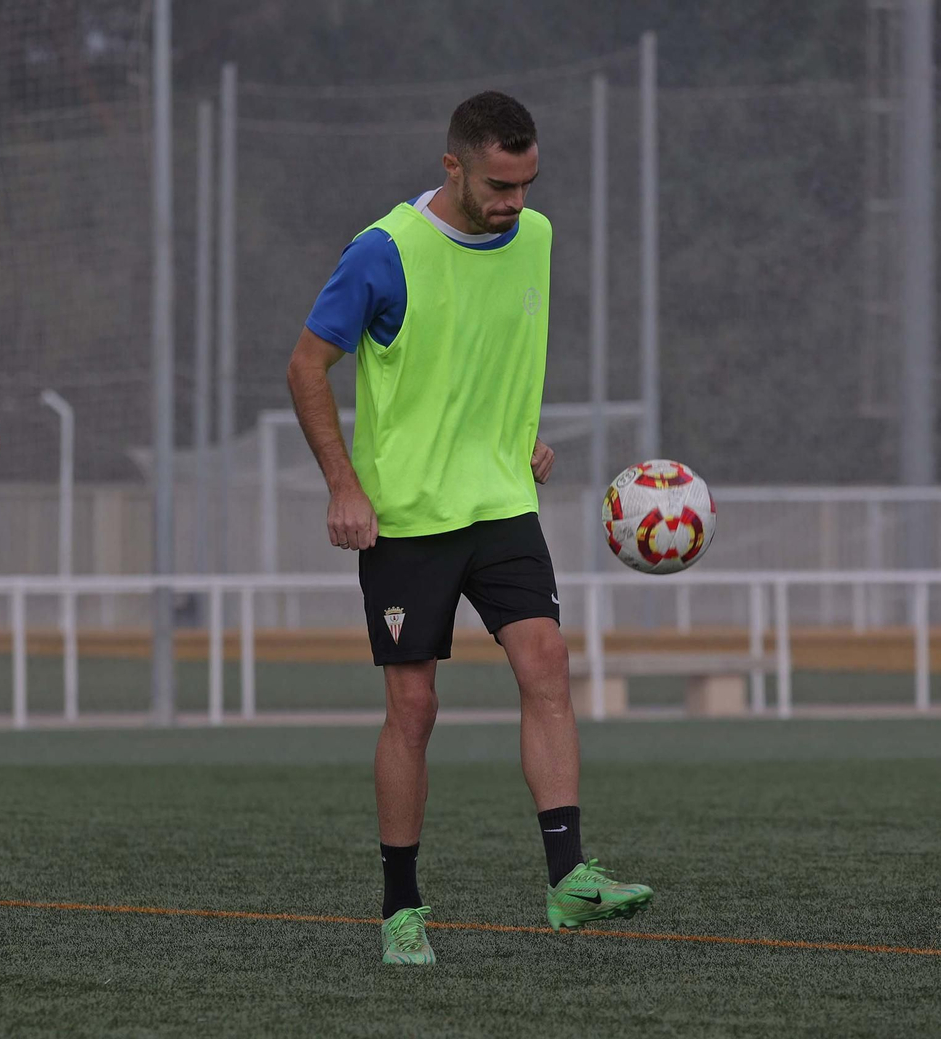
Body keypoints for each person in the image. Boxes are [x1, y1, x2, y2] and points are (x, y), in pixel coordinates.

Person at [286, 91, 652, 966]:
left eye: (527, 183)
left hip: (500, 503)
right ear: (452, 166)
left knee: (548, 661)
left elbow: (496, 347)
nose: (515, 202)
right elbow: (307, 366)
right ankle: (400, 907)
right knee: (414, 707)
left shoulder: (538, 237)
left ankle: (568, 878)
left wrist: (515, 431)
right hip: (406, 519)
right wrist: (344, 485)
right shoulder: (384, 252)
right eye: (498, 184)